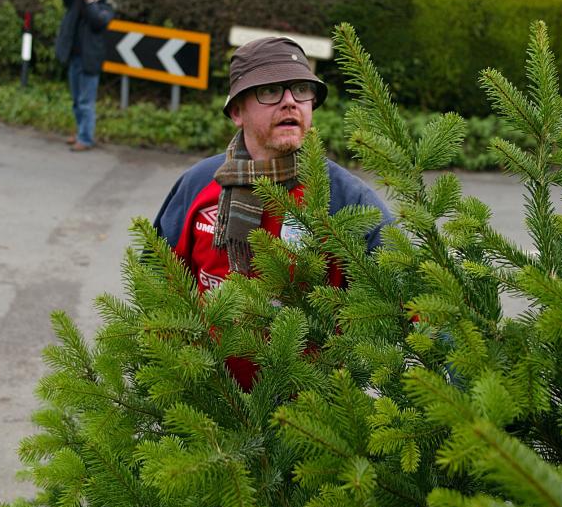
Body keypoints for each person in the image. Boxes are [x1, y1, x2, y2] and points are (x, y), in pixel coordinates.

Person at [154, 36, 394, 390]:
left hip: (313, 416)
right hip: (208, 404)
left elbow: (405, 305)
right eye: (269, 91)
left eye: (300, 90)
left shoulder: (347, 200)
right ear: (237, 111)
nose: (289, 102)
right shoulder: (198, 185)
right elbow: (158, 286)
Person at [55, 0, 115, 151]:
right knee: (76, 101)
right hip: (74, 58)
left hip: (90, 61)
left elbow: (98, 21)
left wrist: (91, 1)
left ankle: (86, 138)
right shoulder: (74, 1)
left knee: (85, 102)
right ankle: (82, 132)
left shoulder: (106, 6)